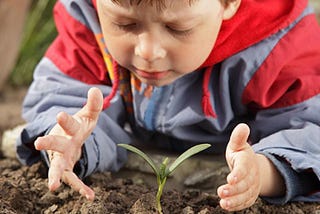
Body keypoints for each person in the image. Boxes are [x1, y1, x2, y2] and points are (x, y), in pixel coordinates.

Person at [16, 0, 320, 211]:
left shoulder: (276, 49)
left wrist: (263, 172)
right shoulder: (89, 20)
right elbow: (68, 92)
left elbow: (308, 126)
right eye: (125, 23)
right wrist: (71, 141)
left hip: (234, 154)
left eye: (177, 29)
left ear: (228, 4)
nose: (148, 51)